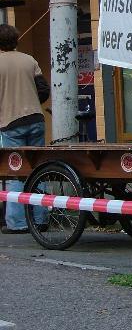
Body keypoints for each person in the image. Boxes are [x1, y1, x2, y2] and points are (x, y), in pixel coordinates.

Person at [0, 24, 50, 234]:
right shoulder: (29, 60)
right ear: (16, 40)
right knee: (37, 169)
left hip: (10, 123)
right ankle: (41, 219)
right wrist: (30, 103)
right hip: (36, 119)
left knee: (15, 172)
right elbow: (43, 90)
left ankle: (17, 222)